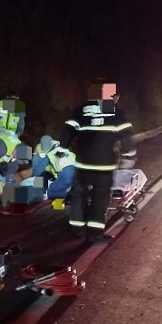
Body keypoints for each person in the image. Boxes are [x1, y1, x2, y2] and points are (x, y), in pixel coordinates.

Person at [61, 90, 136, 243]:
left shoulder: (81, 110)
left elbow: (68, 132)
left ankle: (76, 229)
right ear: (111, 97)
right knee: (100, 198)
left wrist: (62, 150)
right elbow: (126, 135)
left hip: (83, 164)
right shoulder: (116, 112)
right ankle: (94, 234)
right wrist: (129, 154)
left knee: (79, 195)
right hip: (104, 166)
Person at [30, 135, 76, 200]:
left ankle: (70, 196)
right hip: (74, 174)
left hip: (65, 176)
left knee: (50, 192)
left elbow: (37, 172)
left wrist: (32, 180)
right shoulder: (63, 150)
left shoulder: (49, 154)